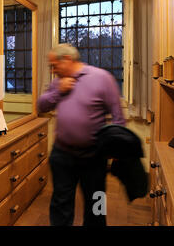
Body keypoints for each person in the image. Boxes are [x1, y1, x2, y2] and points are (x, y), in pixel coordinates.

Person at [37, 43, 125, 226]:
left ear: (67, 59)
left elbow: (118, 117)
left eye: (54, 65)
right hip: (62, 154)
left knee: (97, 204)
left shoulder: (102, 78)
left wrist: (115, 149)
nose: (53, 70)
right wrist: (58, 92)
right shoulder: (58, 82)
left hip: (94, 157)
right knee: (61, 203)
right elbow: (41, 105)